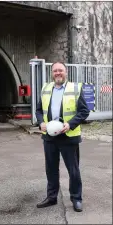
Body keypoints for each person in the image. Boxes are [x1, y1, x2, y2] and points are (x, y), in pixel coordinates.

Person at [35, 62, 90, 212]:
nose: (58, 73)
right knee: (51, 169)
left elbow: (84, 111)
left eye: (60, 70)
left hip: (68, 136)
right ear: (52, 73)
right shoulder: (46, 89)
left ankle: (76, 198)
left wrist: (70, 124)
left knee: (73, 170)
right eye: (55, 71)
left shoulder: (75, 88)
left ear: (66, 72)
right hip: (49, 137)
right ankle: (51, 197)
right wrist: (40, 123)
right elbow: (39, 110)